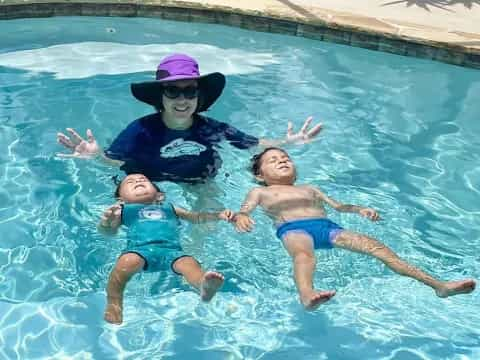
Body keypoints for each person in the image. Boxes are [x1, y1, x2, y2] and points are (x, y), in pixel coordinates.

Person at [233, 147, 476, 310]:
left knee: (380, 249)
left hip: (328, 227)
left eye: (285, 157)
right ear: (259, 175)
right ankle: (306, 294)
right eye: (273, 160)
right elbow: (247, 207)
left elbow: (338, 206)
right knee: (303, 255)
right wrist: (242, 216)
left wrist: (359, 209)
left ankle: (439, 286)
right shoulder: (260, 191)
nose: (282, 161)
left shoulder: (310, 188)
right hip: (293, 229)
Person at [56, 53, 323, 183]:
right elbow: (114, 162)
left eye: (190, 91)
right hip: (149, 180)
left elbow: (254, 144)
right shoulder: (142, 130)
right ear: (160, 97)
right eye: (173, 91)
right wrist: (95, 156)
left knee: (209, 217)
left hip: (199, 180)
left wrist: (289, 143)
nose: (182, 100)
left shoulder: (211, 128)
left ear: (199, 96)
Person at [98, 173, 235, 324]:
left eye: (144, 179)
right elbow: (109, 233)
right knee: (126, 261)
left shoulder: (170, 208)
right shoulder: (123, 211)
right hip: (139, 250)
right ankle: (114, 303)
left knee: (189, 263)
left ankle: (203, 285)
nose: (138, 181)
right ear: (121, 200)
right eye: (130, 182)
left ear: (159, 196)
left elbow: (196, 217)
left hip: (172, 252)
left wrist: (218, 215)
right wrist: (106, 223)